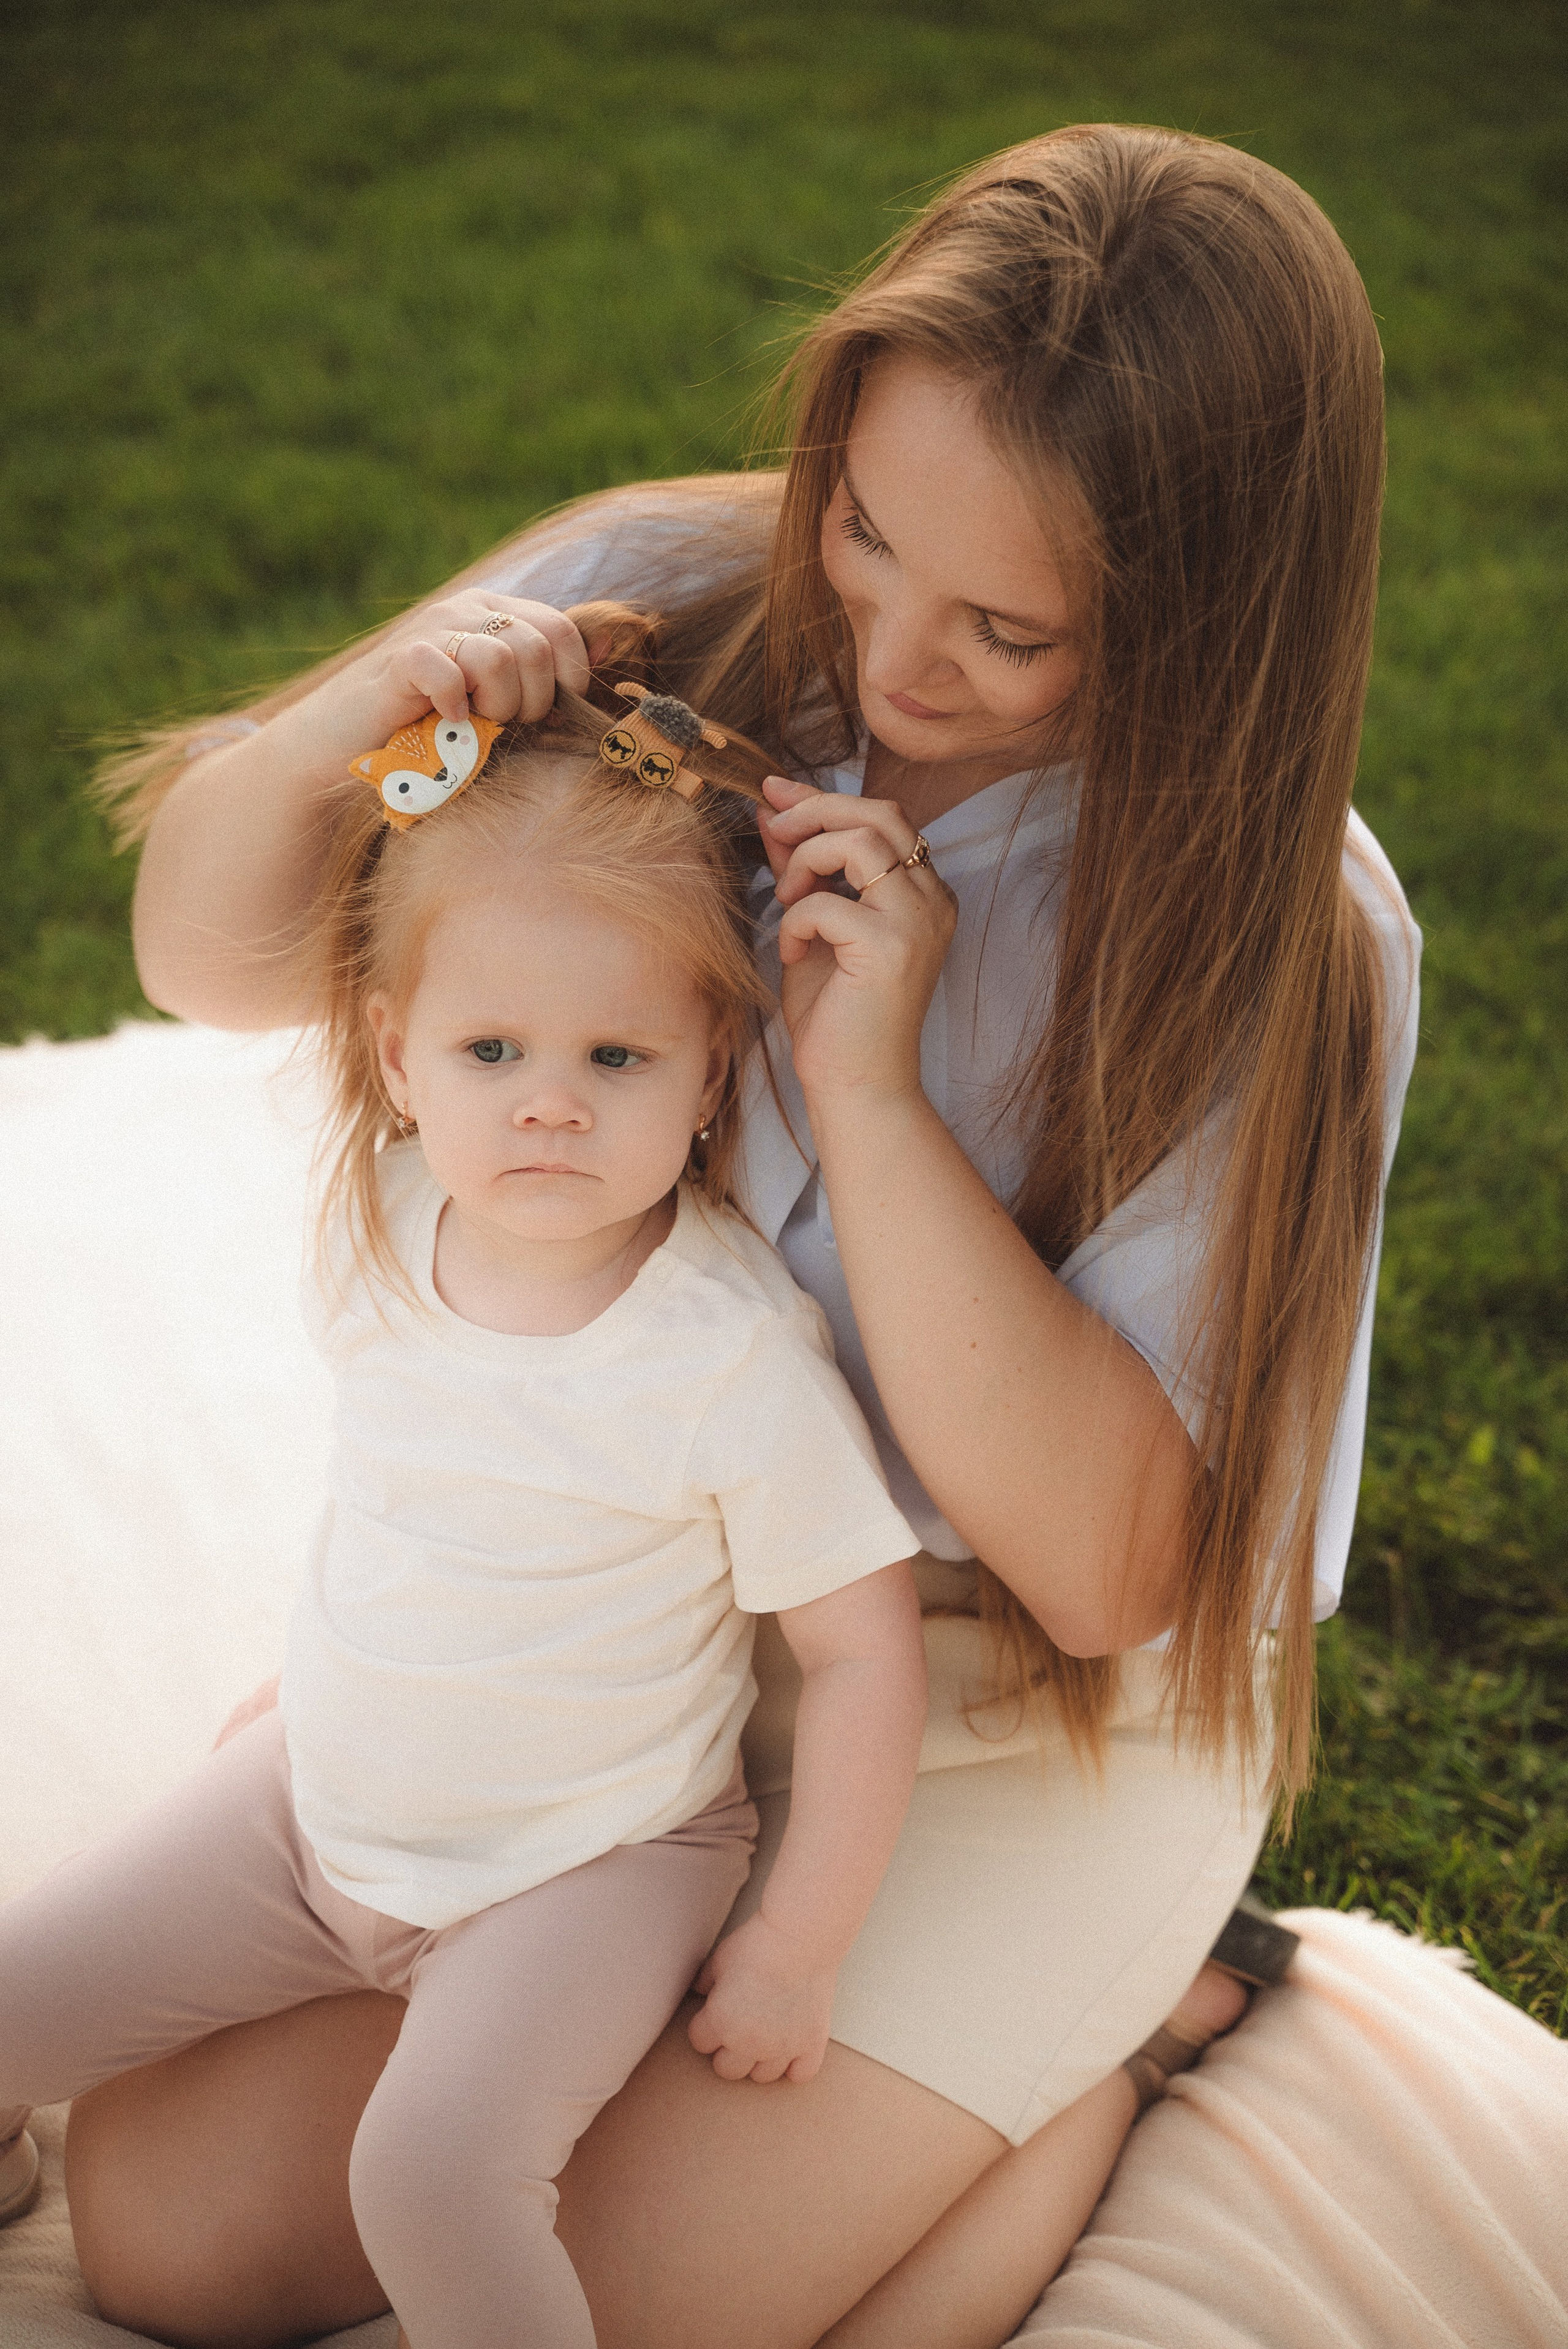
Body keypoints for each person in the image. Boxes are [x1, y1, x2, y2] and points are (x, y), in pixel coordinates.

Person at [56, 123, 1419, 2349]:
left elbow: (1108, 1573)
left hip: (1007, 1709)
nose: (889, 664)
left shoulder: (1285, 938)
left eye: (1011, 629)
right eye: (868, 538)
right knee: (164, 2228)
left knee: (626, 2300)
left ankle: (1100, 2056)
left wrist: (871, 1102)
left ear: (1206, 615)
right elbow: (211, 951)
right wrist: (369, 720)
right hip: (633, 1597)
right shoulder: (663, 607)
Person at [0, 650, 932, 2349]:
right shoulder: (381, 1215)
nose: (550, 1099)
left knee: (431, 2179)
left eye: (617, 1053)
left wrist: (800, 1938)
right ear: (397, 1054)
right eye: (491, 1045)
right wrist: (329, 1672)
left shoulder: (722, 1356)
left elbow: (864, 1649)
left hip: (585, 1864)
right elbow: (415, 1484)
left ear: (714, 1066)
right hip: (315, 1809)